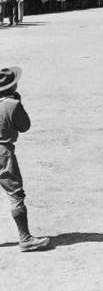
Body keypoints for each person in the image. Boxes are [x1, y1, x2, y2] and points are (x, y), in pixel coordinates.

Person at [0, 67, 49, 252]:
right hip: (3, 153)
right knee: (15, 194)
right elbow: (25, 126)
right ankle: (25, 238)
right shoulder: (12, 105)